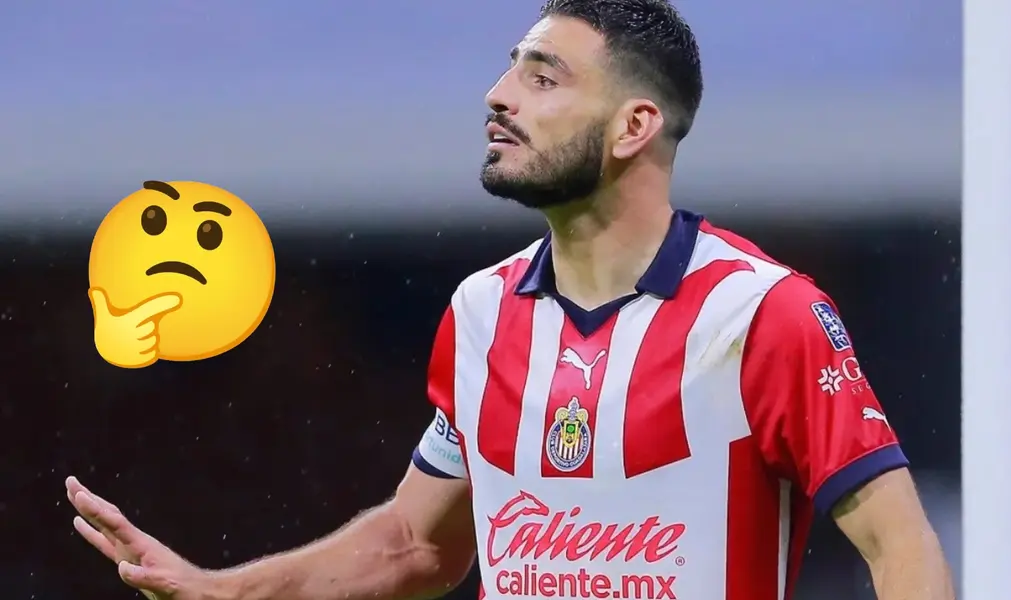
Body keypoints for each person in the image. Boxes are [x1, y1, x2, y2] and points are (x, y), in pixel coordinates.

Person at [66, 0, 955, 598]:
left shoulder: (762, 314)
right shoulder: (483, 312)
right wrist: (222, 589)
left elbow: (900, 549)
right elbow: (417, 546)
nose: (497, 97)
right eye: (508, 71)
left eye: (543, 77)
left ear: (634, 126)